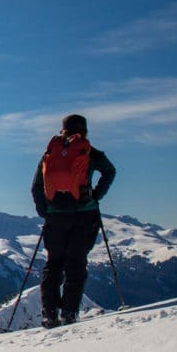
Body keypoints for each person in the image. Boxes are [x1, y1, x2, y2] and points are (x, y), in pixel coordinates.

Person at [31, 114, 116, 328]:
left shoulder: (49, 155)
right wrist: (95, 195)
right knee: (76, 263)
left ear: (62, 130)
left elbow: (36, 187)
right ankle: (69, 312)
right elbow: (110, 171)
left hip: (56, 217)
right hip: (85, 215)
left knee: (54, 263)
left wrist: (46, 211)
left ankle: (49, 313)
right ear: (84, 130)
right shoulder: (89, 153)